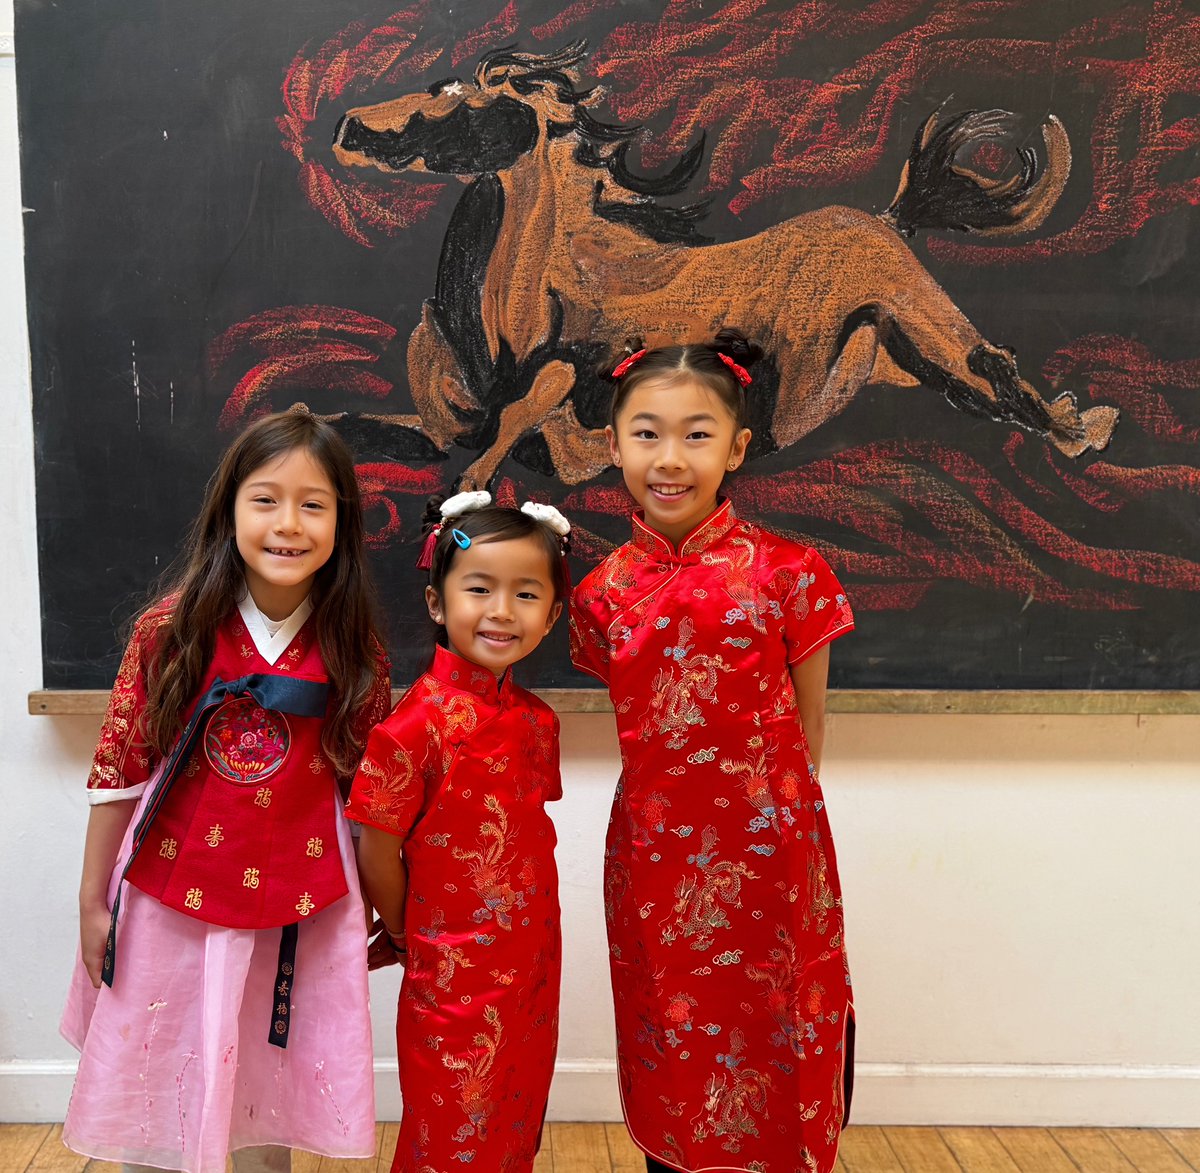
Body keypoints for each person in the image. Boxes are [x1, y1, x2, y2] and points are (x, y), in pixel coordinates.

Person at [61, 408, 393, 1173]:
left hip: (298, 909)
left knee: (261, 1085)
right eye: (266, 499)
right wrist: (91, 899)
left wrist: (382, 909)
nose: (289, 523)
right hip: (170, 894)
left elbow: (370, 797)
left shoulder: (353, 647)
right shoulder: (169, 630)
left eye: (314, 504)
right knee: (156, 1071)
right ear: (229, 509)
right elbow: (118, 772)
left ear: (342, 522)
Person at [570, 330, 856, 1173]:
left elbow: (808, 735)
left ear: (735, 446)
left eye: (697, 434)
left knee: (786, 1029)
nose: (670, 456)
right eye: (647, 432)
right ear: (613, 442)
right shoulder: (600, 592)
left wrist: (779, 826)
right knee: (674, 1030)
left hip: (773, 857)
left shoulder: (789, 573)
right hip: (655, 860)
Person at [347, 491, 570, 1173]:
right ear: (438, 603)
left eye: (526, 593)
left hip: (531, 963)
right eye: (480, 588)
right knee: (451, 1116)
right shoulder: (412, 727)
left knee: (514, 1107)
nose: (502, 610)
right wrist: (410, 930)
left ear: (552, 614)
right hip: (450, 971)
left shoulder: (537, 721)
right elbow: (374, 844)